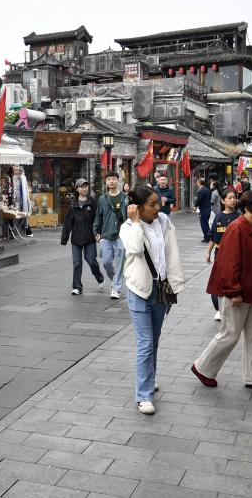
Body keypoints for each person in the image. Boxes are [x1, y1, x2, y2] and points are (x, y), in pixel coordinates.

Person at [191, 191, 252, 393]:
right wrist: (234, 291)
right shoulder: (236, 228)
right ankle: (203, 367)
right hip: (237, 292)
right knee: (230, 333)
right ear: (247, 209)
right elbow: (229, 264)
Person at [120, 187, 185, 415]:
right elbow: (136, 248)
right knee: (145, 342)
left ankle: (150, 377)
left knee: (153, 341)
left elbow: (171, 253)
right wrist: (136, 222)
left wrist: (175, 282)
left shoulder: (164, 222)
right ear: (138, 208)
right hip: (139, 290)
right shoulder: (128, 227)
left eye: (158, 203)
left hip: (161, 289)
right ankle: (144, 395)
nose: (158, 208)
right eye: (152, 204)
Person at [61, 179, 105, 295]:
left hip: (90, 237)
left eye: (85, 186)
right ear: (77, 189)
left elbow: (99, 219)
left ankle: (99, 277)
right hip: (76, 238)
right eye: (81, 187)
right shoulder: (73, 204)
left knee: (91, 260)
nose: (84, 189)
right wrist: (64, 238)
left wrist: (99, 232)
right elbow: (68, 222)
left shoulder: (93, 202)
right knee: (77, 263)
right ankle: (77, 287)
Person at [206, 189, 241, 321]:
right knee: (218, 280)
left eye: (234, 197)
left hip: (236, 254)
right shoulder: (218, 217)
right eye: (230, 198)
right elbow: (213, 236)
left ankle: (234, 306)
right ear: (222, 200)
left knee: (234, 279)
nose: (233, 200)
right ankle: (218, 309)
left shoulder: (239, 217)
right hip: (220, 253)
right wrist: (208, 252)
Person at [93, 171, 128, 299]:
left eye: (114, 179)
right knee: (106, 262)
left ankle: (116, 289)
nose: (111, 181)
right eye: (109, 179)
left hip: (121, 236)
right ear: (106, 182)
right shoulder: (103, 199)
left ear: (118, 180)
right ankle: (114, 281)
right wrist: (96, 231)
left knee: (120, 263)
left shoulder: (125, 198)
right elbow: (98, 216)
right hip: (106, 235)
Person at [11, 166, 33, 236]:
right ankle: (19, 231)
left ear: (19, 170)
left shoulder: (22, 178)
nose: (15, 171)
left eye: (16, 170)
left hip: (21, 199)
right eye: (14, 170)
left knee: (23, 214)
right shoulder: (13, 177)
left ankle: (27, 230)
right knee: (17, 215)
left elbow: (23, 190)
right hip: (15, 199)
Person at [194, 178, 213, 242]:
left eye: (197, 182)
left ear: (199, 183)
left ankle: (207, 237)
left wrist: (195, 206)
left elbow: (199, 200)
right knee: (206, 223)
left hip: (204, 209)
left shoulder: (201, 190)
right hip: (208, 208)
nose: (197, 183)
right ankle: (208, 236)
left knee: (203, 224)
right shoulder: (207, 189)